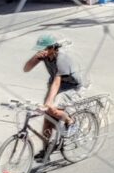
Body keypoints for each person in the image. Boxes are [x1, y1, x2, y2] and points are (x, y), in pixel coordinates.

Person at [22, 33, 81, 161]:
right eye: (41, 49)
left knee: (51, 108)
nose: (43, 51)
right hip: (57, 85)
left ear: (53, 48)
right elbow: (26, 68)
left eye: (45, 48)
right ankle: (47, 150)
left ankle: (71, 122)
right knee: (48, 118)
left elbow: (57, 81)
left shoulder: (61, 58)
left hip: (70, 86)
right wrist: (35, 58)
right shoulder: (44, 56)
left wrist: (49, 102)